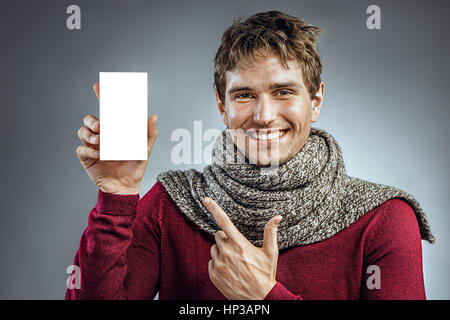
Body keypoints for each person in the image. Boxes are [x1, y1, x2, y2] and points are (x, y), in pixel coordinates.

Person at [67, 10, 434, 300]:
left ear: (316, 101)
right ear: (221, 105)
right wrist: (116, 195)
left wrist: (264, 295)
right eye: (244, 95)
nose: (264, 115)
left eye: (283, 91)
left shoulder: (383, 218)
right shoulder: (171, 205)